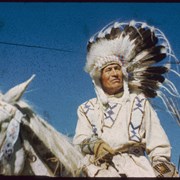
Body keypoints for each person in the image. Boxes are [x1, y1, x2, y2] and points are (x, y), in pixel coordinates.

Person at [73, 20, 179, 177]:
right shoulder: (87, 109)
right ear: (99, 78)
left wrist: (163, 169)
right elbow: (79, 140)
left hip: (137, 168)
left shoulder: (139, 102)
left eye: (117, 69)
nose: (115, 73)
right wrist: (95, 145)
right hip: (99, 169)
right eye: (109, 70)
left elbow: (158, 142)